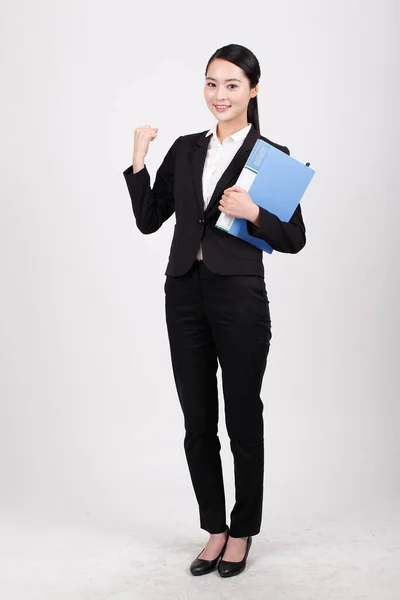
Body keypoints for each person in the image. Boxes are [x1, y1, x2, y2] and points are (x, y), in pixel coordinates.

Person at [122, 43, 306, 578]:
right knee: (197, 419)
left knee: (242, 416)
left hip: (240, 297)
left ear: (253, 89)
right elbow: (149, 218)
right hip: (183, 293)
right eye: (211, 83)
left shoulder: (271, 155)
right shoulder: (183, 149)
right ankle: (214, 528)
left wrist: (254, 213)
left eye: (231, 85)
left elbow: (294, 237)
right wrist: (139, 157)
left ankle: (243, 530)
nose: (219, 95)